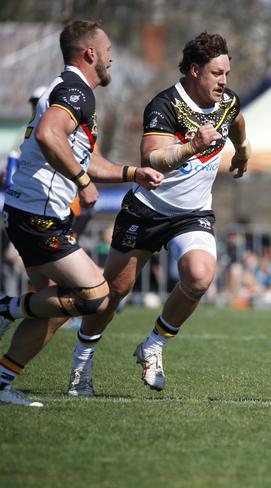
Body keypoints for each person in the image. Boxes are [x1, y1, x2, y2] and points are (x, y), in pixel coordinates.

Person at [65, 32, 251, 396]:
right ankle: (82, 361)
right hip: (147, 210)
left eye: (227, 73)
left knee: (199, 277)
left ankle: (154, 344)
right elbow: (152, 158)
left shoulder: (226, 101)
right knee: (114, 291)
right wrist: (192, 146)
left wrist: (243, 152)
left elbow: (237, 121)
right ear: (195, 71)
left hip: (192, 213)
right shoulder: (164, 105)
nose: (225, 81)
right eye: (217, 74)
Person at [0, 20, 163, 407]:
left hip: (31, 212)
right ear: (90, 54)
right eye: (107, 50)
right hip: (38, 216)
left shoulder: (72, 91)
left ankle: (3, 380)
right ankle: (6, 307)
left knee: (54, 306)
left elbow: (86, 158)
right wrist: (81, 180)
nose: (111, 57)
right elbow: (48, 135)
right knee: (95, 296)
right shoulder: (76, 91)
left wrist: (130, 172)